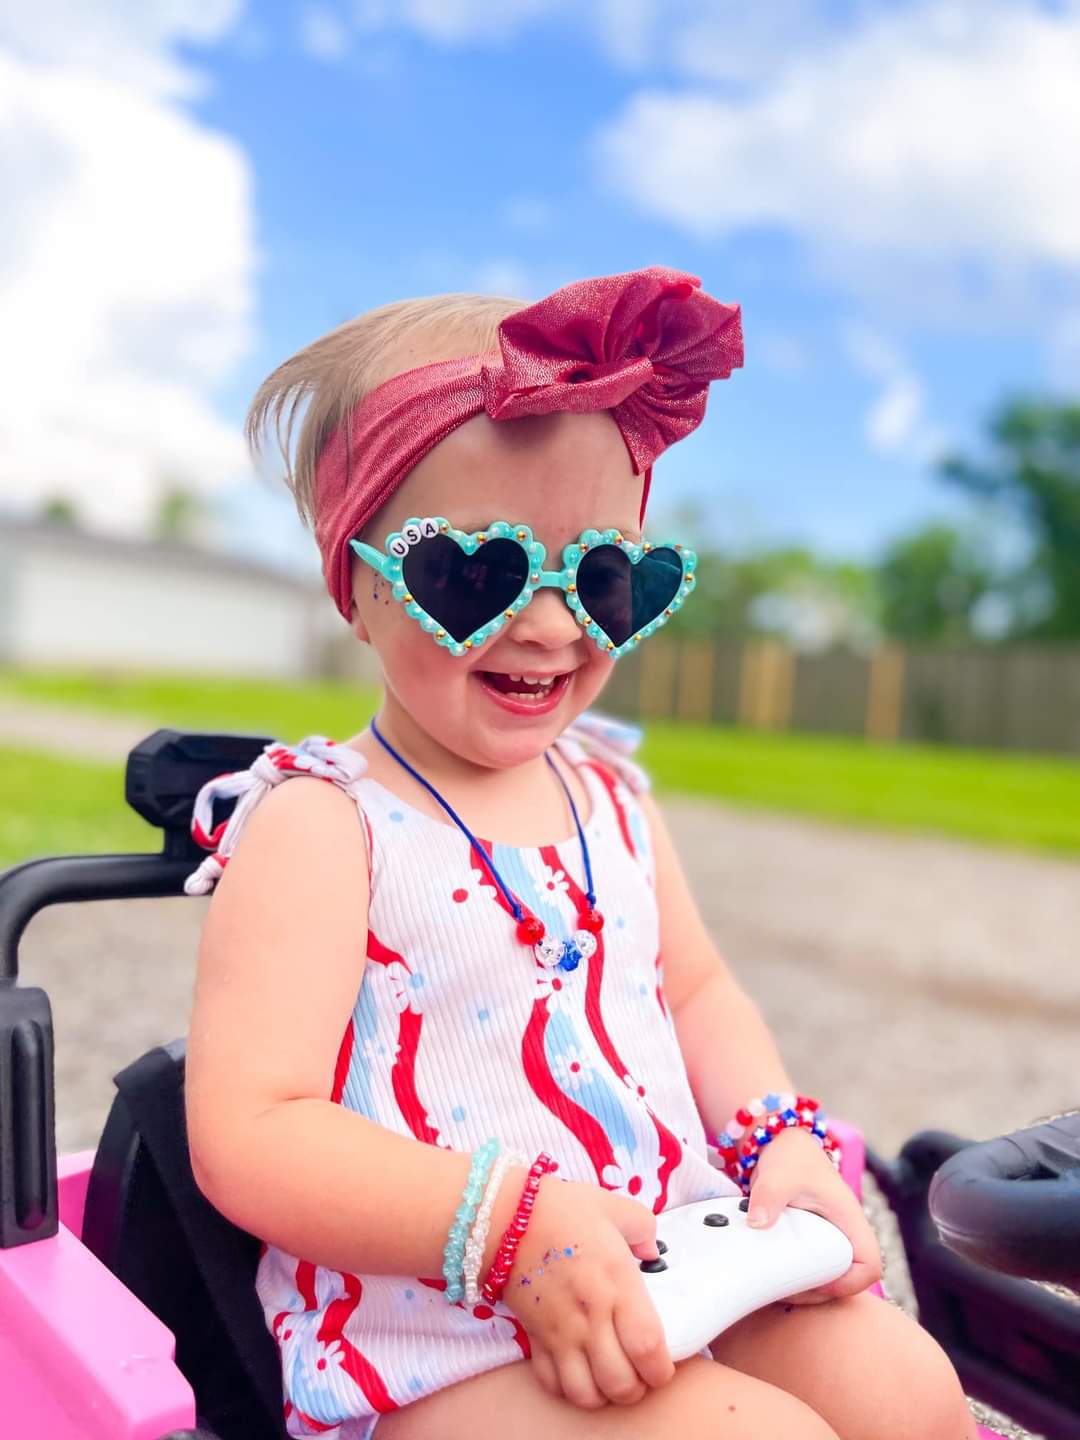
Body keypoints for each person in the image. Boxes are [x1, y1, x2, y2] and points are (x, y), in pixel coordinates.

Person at [185, 267, 978, 1440]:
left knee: (907, 1389)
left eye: (608, 578)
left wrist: (778, 1138)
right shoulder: (322, 825)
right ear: (356, 581)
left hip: (671, 1259)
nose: (554, 626)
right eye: (480, 574)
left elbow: (695, 991)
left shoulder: (611, 793)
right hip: (444, 1340)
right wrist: (507, 1228)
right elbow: (252, 1129)